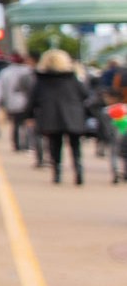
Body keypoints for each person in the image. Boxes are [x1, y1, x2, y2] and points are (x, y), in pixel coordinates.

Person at [30, 48, 95, 186]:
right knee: (75, 146)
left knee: (55, 145)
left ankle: (57, 173)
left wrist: (29, 116)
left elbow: (33, 99)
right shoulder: (72, 77)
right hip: (73, 115)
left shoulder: (41, 79)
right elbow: (85, 94)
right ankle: (78, 172)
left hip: (50, 115)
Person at [0, 53, 37, 161]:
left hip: (11, 103)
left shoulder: (5, 72)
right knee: (28, 124)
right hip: (27, 102)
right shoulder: (28, 70)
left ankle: (17, 144)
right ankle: (27, 144)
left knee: (16, 124)